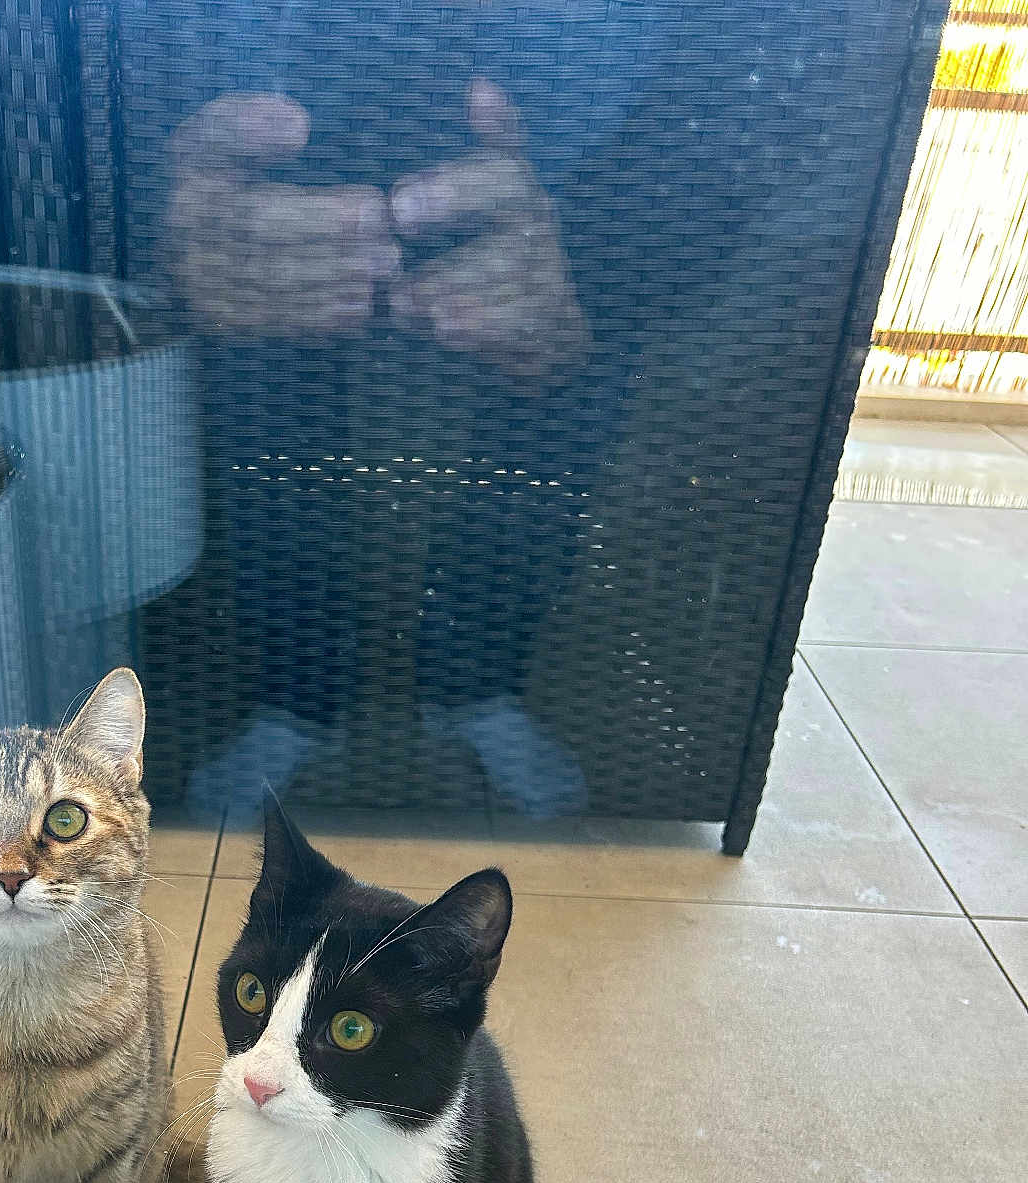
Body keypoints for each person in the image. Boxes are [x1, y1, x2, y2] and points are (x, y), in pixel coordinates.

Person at [119, 0, 828, 819]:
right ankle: (296, 690)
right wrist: (156, 200)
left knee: (550, 397)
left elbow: (760, 58)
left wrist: (609, 264)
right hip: (293, 93)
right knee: (273, 399)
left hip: (592, 123)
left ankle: (475, 679)